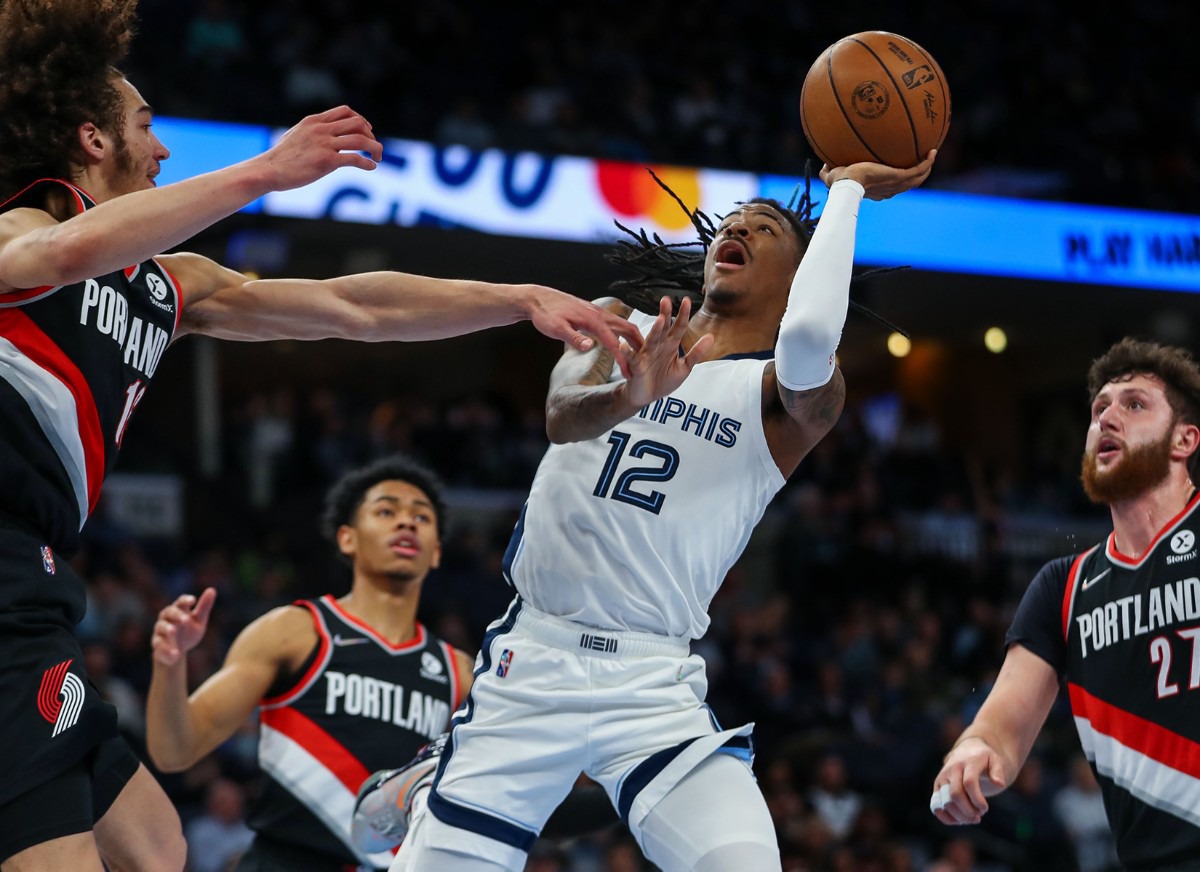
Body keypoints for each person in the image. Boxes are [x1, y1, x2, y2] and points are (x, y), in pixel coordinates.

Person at [0, 1, 640, 869]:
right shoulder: (22, 228)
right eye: (145, 127)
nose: (163, 149)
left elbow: (353, 307)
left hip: (36, 578)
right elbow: (60, 258)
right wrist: (264, 171)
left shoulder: (169, 285)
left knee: (154, 846)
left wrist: (517, 299)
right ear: (92, 141)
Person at [383, 150, 934, 871]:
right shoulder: (619, 321)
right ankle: (437, 781)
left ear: (801, 280)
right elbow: (560, 415)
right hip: (533, 660)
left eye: (765, 228)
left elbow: (805, 339)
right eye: (734, 221)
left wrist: (849, 195)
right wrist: (629, 395)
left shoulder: (791, 401)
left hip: (652, 685)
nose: (738, 226)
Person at [931, 337, 1200, 870]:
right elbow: (1001, 725)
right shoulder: (1064, 588)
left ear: (1184, 440)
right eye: (1099, 409)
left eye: (1134, 405)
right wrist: (971, 751)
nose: (1107, 418)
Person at [147, 455, 473, 871]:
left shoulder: (458, 671)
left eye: (421, 518)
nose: (407, 524)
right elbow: (175, 751)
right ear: (347, 539)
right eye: (387, 511)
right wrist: (170, 666)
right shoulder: (295, 631)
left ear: (437, 552)